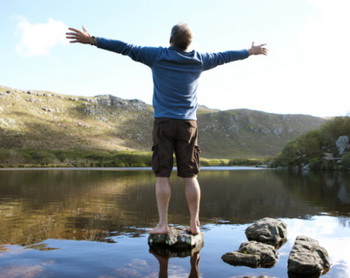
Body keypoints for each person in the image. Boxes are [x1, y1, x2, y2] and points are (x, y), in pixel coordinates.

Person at [66, 23, 267, 235]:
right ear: (189, 43)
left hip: (163, 123)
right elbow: (226, 56)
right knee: (190, 177)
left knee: (162, 175)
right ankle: (194, 224)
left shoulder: (156, 55)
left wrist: (92, 40)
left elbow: (124, 47)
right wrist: (250, 52)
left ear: (170, 40)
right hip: (188, 124)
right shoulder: (200, 59)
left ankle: (163, 224)